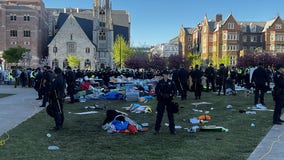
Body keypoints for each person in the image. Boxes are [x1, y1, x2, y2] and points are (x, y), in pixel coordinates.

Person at [154, 69, 177, 135]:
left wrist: (171, 95)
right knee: (159, 115)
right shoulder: (160, 82)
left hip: (169, 100)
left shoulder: (171, 82)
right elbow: (156, 90)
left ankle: (172, 130)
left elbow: (175, 91)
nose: (167, 75)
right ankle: (157, 130)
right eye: (165, 74)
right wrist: (161, 94)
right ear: (163, 75)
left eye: (168, 74)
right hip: (161, 100)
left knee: (170, 116)